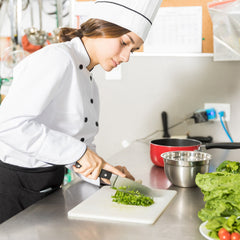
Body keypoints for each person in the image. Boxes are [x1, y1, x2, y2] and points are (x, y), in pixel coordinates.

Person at [0, 0, 162, 223]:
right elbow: (8, 124)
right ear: (102, 27)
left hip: (46, 183)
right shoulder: (58, 58)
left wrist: (104, 172)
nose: (126, 57)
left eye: (132, 50)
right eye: (125, 43)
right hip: (13, 184)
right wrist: (79, 153)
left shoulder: (89, 80)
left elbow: (80, 145)